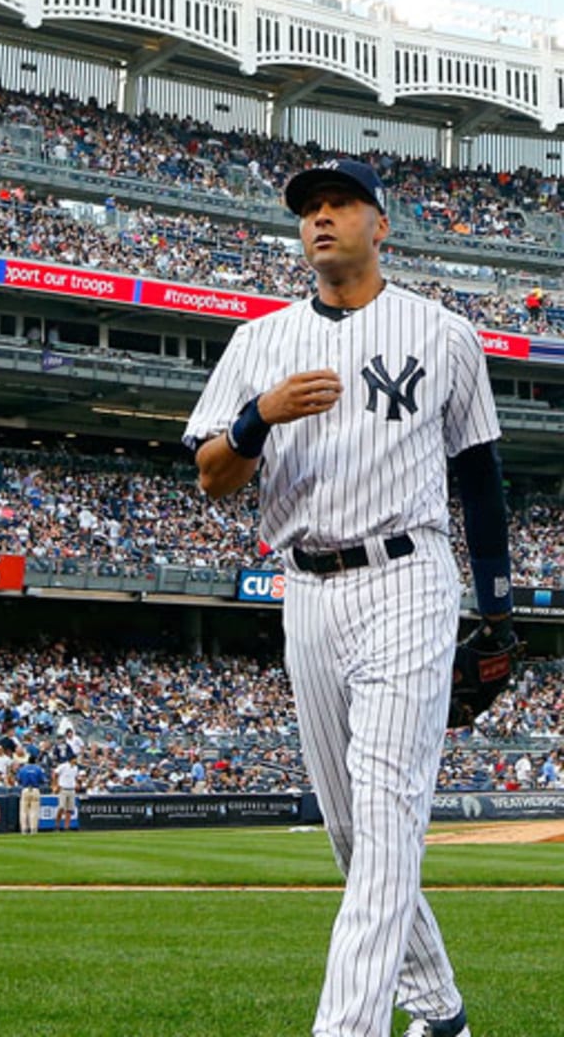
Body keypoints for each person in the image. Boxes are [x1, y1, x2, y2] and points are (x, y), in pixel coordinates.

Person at [184, 158, 511, 1037]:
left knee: (388, 812)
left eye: (340, 205)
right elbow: (214, 478)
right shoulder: (259, 340)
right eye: (309, 210)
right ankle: (440, 1014)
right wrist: (259, 415)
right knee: (356, 838)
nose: (320, 219)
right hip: (308, 591)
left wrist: (500, 610)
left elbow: (479, 473)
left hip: (409, 576)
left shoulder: (443, 333)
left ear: (380, 226)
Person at [16, 753, 49, 834]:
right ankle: (33, 829)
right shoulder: (38, 769)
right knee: (34, 811)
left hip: (25, 789)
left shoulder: (23, 769)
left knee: (23, 811)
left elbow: (18, 779)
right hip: (35, 789)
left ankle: (24, 829)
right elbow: (43, 780)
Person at [52, 751, 79, 832]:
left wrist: (76, 784)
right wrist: (55, 785)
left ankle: (66, 827)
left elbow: (74, 777)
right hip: (63, 789)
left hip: (71, 789)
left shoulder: (75, 768)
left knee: (69, 810)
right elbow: (55, 774)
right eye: (75, 759)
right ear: (71, 759)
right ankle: (57, 825)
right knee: (61, 807)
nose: (76, 760)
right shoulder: (63, 766)